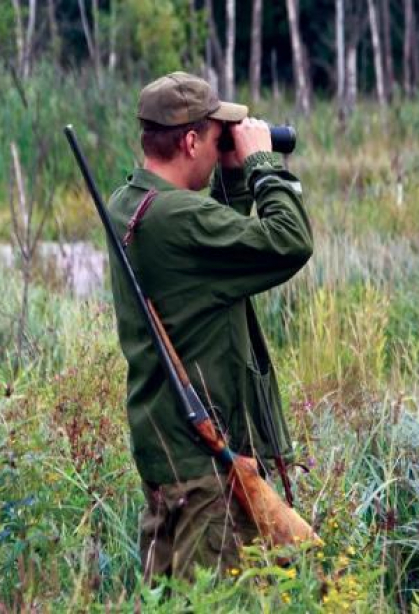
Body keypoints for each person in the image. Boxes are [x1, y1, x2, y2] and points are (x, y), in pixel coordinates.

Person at [104, 71, 313, 581]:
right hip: (205, 470)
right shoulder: (178, 218)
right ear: (192, 139)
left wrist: (231, 177)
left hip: (165, 454)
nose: (225, 140)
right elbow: (290, 240)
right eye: (216, 133)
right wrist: (262, 164)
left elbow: (211, 249)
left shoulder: (129, 204)